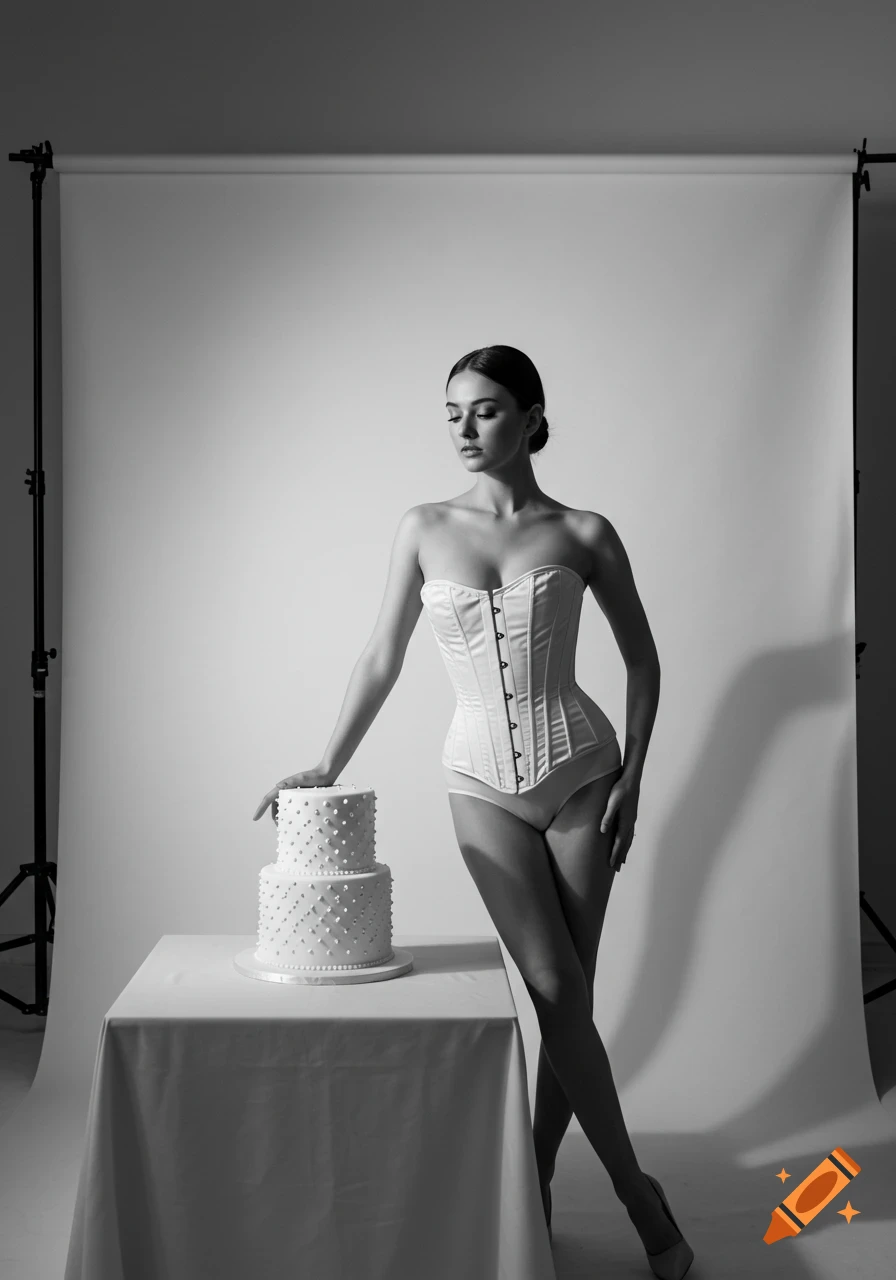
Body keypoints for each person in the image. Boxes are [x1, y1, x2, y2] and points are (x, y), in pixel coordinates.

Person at [253, 345, 693, 1279]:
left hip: (583, 774)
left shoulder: (585, 532)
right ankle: (638, 1200)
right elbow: (383, 655)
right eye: (452, 411)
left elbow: (645, 660)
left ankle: (533, 1182)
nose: (463, 427)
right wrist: (326, 765)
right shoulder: (422, 527)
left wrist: (636, 777)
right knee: (557, 991)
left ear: (533, 418)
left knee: (566, 1002)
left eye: (486, 410)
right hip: (479, 781)